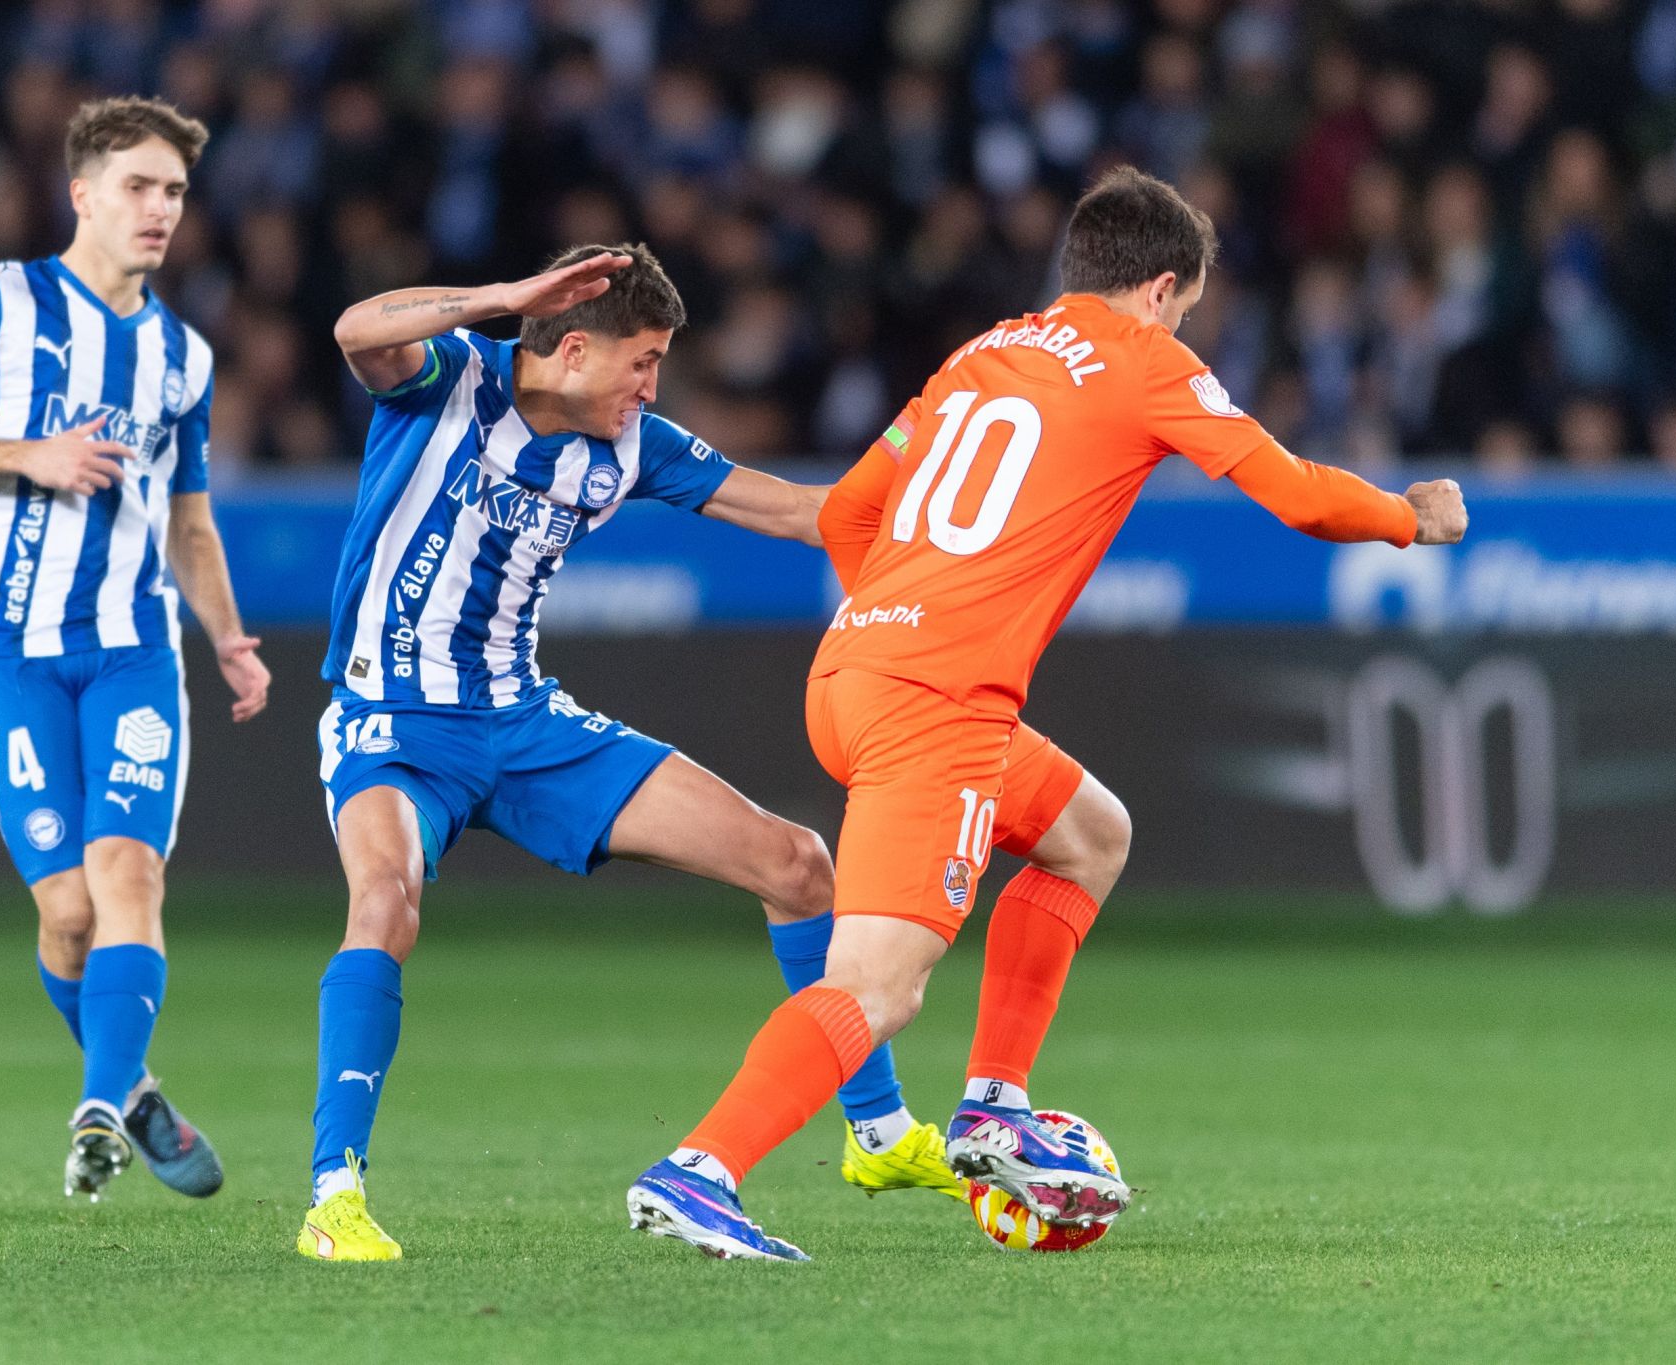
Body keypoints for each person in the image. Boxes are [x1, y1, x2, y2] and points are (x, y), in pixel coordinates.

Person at [627, 166, 1469, 1260]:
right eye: (1184, 307)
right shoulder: (1144, 359)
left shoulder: (980, 355)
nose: (1182, 324)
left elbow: (846, 514)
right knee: (876, 989)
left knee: (1090, 834)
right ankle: (700, 1169)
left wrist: (903, 613)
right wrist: (1408, 516)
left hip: (854, 671)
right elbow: (1294, 492)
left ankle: (993, 1106)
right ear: (1160, 288)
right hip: (935, 706)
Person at [298, 243, 956, 1263]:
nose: (652, 387)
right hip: (394, 723)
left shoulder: (633, 445)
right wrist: (500, 297)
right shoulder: (453, 378)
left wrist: (937, 471)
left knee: (797, 864)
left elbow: (800, 512)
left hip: (528, 727)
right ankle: (334, 1197)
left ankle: (876, 1133)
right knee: (383, 903)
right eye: (642, 361)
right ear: (571, 349)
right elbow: (354, 330)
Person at [0, 96, 269, 1202]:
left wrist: (228, 638)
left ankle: (97, 1108)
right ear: (81, 194)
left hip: (133, 649)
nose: (159, 208)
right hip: (2, 653)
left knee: (129, 873)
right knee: (70, 914)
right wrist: (24, 453)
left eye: (174, 191)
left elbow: (190, 523)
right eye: (138, 186)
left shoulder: (182, 358)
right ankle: (134, 1090)